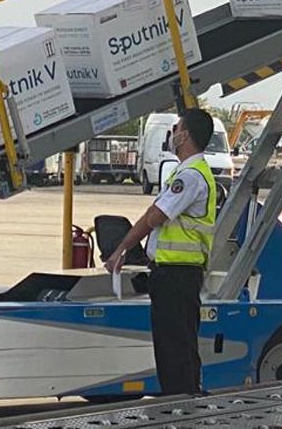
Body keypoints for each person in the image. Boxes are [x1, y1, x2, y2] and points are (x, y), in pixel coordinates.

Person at [105, 108, 217, 396]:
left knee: (174, 350)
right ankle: (186, 399)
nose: (172, 134)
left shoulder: (190, 176)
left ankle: (181, 405)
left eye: (176, 128)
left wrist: (123, 247)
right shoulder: (188, 172)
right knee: (179, 346)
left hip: (177, 273)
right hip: (177, 273)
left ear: (185, 135)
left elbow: (155, 216)